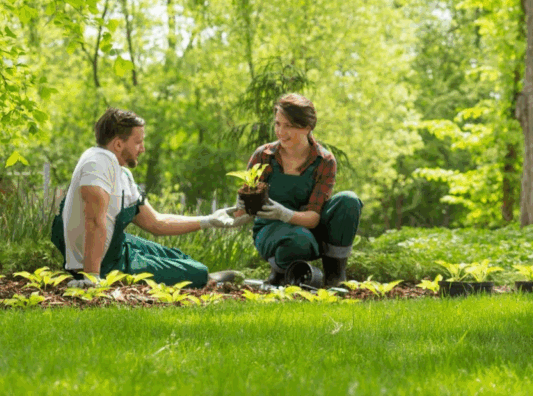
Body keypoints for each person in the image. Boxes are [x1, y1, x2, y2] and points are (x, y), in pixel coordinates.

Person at [51, 108, 245, 289]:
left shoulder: (122, 174)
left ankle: (204, 277)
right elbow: (93, 220)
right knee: (198, 272)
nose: (142, 149)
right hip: (105, 264)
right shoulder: (98, 161)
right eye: (137, 142)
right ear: (118, 144)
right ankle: (206, 279)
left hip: (117, 246)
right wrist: (91, 278)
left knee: (178, 257)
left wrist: (209, 220)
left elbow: (156, 223)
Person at [238, 93, 363, 287]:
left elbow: (313, 217)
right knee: (298, 241)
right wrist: (235, 211)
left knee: (349, 200)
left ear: (306, 127)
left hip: (309, 225)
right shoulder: (264, 156)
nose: (280, 131)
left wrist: (285, 213)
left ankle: (335, 275)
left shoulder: (324, 161)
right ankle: (281, 273)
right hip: (271, 229)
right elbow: (245, 207)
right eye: (278, 124)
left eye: (288, 126)